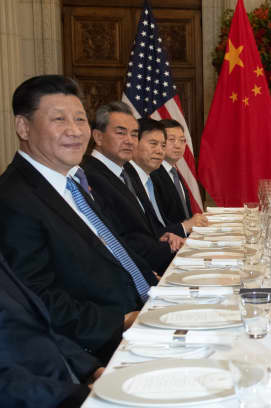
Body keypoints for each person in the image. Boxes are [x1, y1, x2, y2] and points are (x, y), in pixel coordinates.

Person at [0, 75, 156, 362]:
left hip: (144, 309)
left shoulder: (71, 182)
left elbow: (113, 250)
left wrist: (155, 285)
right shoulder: (13, 199)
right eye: (59, 120)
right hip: (103, 343)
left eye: (81, 120)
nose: (75, 131)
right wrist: (123, 321)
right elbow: (38, 299)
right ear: (23, 127)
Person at [81, 102, 184, 275]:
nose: (129, 140)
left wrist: (163, 237)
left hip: (152, 259)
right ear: (98, 137)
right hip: (136, 272)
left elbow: (140, 228)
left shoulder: (126, 171)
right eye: (121, 133)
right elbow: (116, 241)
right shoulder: (89, 176)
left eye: (134, 134)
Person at [0, 251, 103, 408]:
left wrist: (92, 369)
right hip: (44, 398)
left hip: (63, 384)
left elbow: (39, 325)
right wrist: (76, 396)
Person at [124, 118, 206, 237]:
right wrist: (184, 227)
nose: (159, 150)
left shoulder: (162, 173)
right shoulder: (130, 178)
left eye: (162, 145)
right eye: (153, 144)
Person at [150, 119, 197, 224]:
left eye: (182, 140)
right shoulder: (152, 174)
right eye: (171, 139)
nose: (178, 145)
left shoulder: (174, 172)